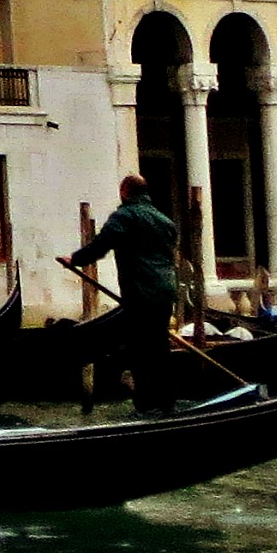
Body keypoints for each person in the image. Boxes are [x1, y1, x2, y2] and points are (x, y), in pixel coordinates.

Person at [71, 175, 182, 414]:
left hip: (140, 293)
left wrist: (75, 260)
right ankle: (167, 403)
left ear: (124, 192)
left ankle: (146, 405)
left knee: (140, 349)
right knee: (160, 347)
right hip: (165, 291)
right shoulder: (165, 221)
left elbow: (101, 245)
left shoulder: (124, 216)